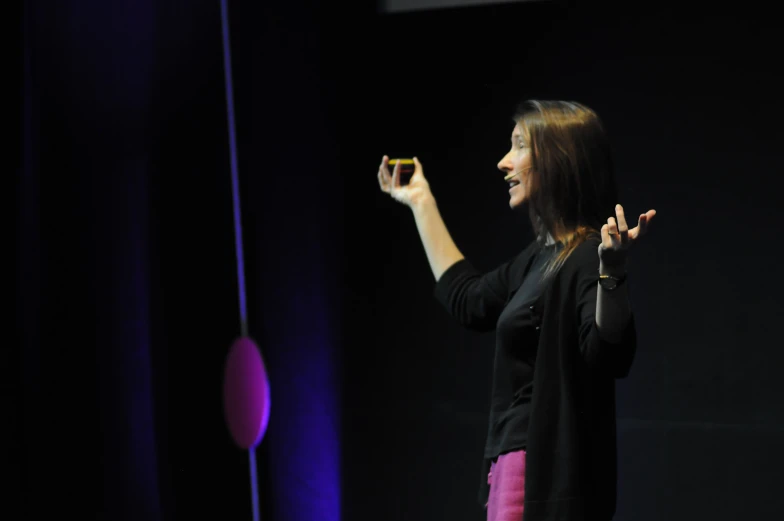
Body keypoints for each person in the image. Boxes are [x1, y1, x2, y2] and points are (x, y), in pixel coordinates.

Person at [376, 100, 656, 521]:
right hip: (512, 468)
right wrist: (421, 201)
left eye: (519, 146)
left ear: (558, 160)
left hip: (537, 476)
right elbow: (468, 300)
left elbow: (609, 352)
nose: (503, 162)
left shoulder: (583, 256)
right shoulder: (539, 258)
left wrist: (611, 272)